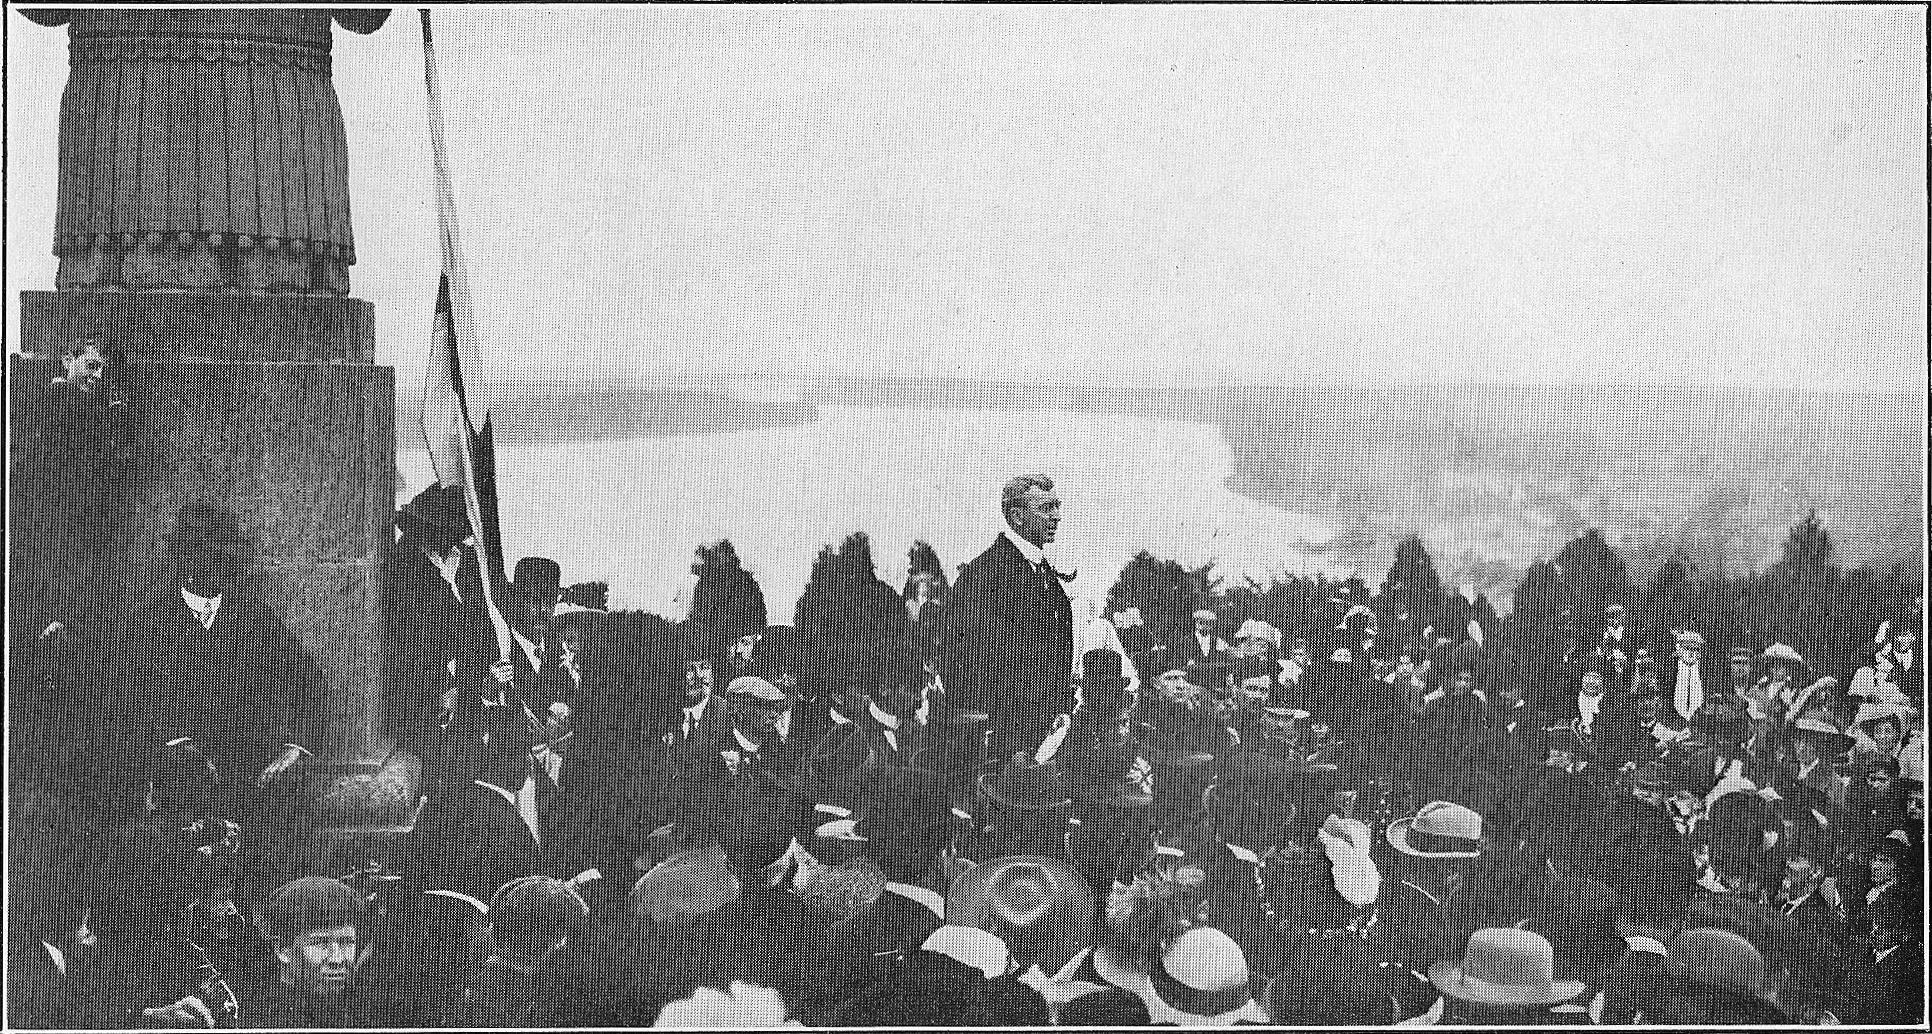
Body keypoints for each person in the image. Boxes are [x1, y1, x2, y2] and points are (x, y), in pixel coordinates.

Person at [112, 504, 322, 828]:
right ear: (186, 562)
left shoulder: (253, 616)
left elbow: (308, 677)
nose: (218, 569)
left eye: (225, 559)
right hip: (180, 782)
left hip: (253, 775)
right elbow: (130, 702)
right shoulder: (148, 624)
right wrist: (172, 744)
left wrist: (296, 746)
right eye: (207, 558)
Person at [942, 474, 1075, 759]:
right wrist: (997, 731)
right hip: (1001, 737)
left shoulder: (1046, 575)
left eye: (1057, 506)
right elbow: (965, 661)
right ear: (1016, 516)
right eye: (1046, 508)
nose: (1057, 517)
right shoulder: (984, 575)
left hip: (1045, 733)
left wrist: (1060, 708)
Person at [386, 484, 489, 757]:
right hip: (424, 696)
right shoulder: (405, 570)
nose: (455, 542)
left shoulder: (457, 562)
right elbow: (412, 643)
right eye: (450, 534)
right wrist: (445, 685)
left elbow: (474, 623)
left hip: (457, 692)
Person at [234, 876, 364, 1028]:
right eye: (320, 943)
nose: (337, 959)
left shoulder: (366, 1010)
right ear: (282, 950)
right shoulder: (257, 1020)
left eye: (346, 942)